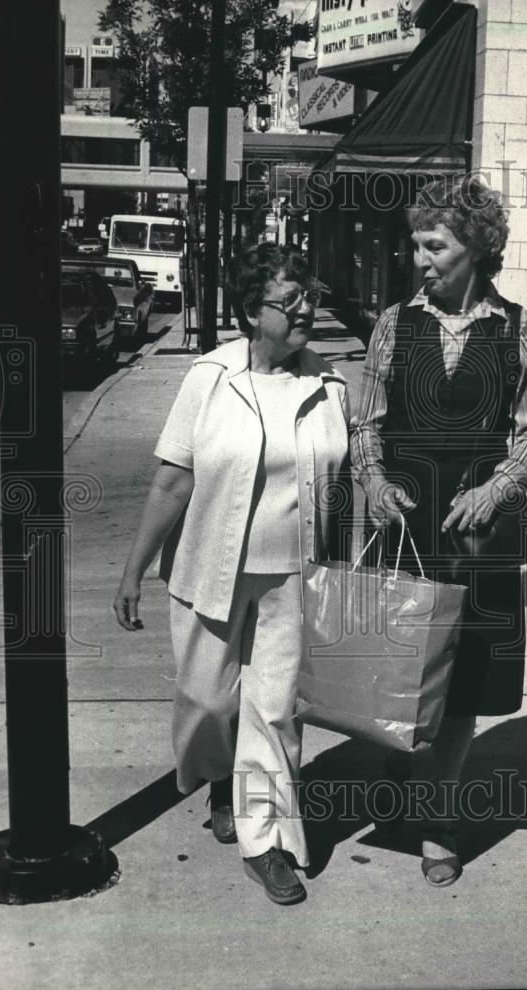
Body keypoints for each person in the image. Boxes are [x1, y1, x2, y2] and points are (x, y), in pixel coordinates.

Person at [113, 243, 350, 905]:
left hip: (292, 578)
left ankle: (265, 840)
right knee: (208, 702)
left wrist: (341, 570)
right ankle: (219, 776)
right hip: (209, 568)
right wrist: (132, 570)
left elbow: (345, 485)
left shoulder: (329, 384)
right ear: (252, 311)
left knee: (273, 712)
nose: (306, 311)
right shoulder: (210, 378)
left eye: (309, 298)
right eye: (289, 302)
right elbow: (172, 479)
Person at [350, 175, 527, 887]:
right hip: (406, 526)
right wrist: (373, 482)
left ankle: (436, 818)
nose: (419, 258)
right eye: (414, 243)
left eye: (432, 244)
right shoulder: (392, 324)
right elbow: (366, 424)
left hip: (477, 532)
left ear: (474, 247)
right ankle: (410, 766)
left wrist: (498, 486)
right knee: (403, 671)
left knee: (464, 683)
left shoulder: (517, 329)